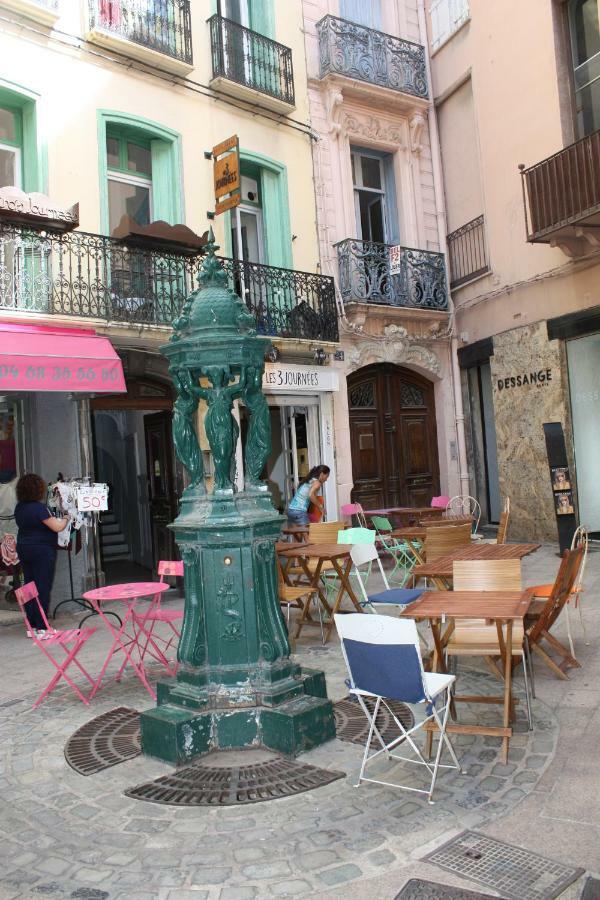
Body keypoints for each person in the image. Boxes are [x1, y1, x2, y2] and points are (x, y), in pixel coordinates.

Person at [14, 473, 69, 637]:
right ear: (38, 489)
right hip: (41, 551)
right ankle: (43, 627)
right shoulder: (38, 508)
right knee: (42, 587)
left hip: (24, 548)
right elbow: (57, 527)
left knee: (29, 588)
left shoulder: (20, 507)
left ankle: (31, 626)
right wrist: (66, 518)